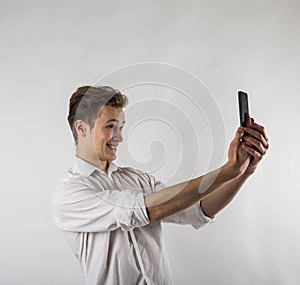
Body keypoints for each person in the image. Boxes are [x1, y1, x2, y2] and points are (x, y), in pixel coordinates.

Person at [53, 85, 269, 285]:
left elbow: (197, 209)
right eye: (111, 127)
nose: (119, 138)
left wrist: (243, 172)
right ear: (81, 128)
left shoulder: (138, 179)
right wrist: (227, 171)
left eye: (121, 128)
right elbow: (147, 209)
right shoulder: (70, 193)